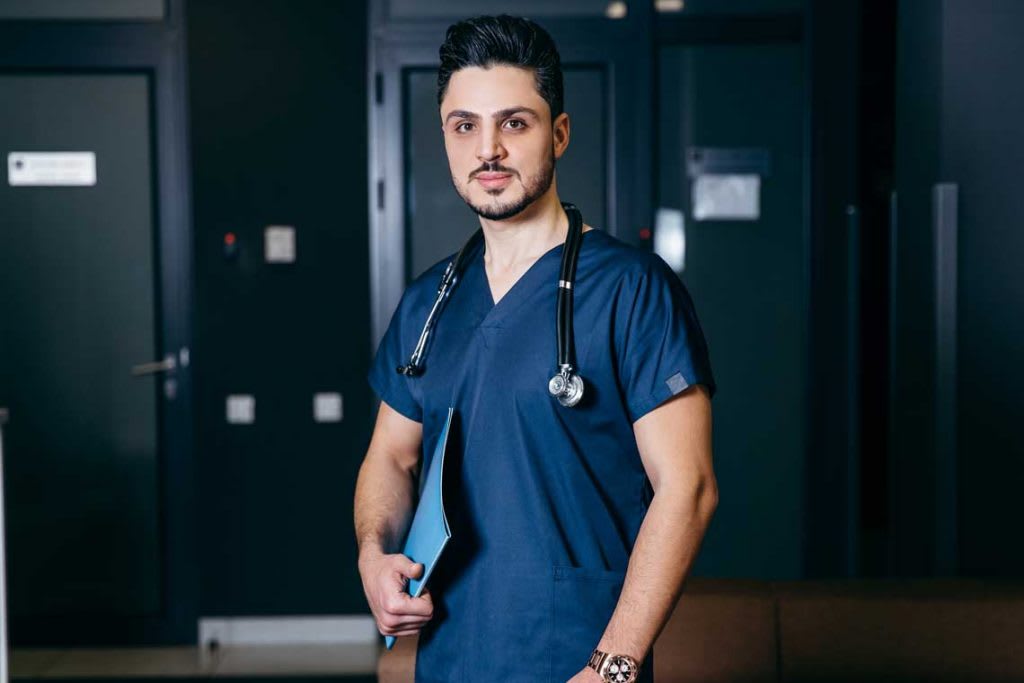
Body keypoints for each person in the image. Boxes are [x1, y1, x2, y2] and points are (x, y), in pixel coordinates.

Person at [354, 14, 718, 683]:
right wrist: (373, 554)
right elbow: (391, 457)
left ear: (560, 133)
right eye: (465, 125)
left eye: (514, 123)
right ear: (445, 136)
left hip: (577, 661)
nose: (487, 148)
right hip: (453, 659)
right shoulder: (427, 303)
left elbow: (687, 488)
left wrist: (613, 665)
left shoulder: (633, 290)